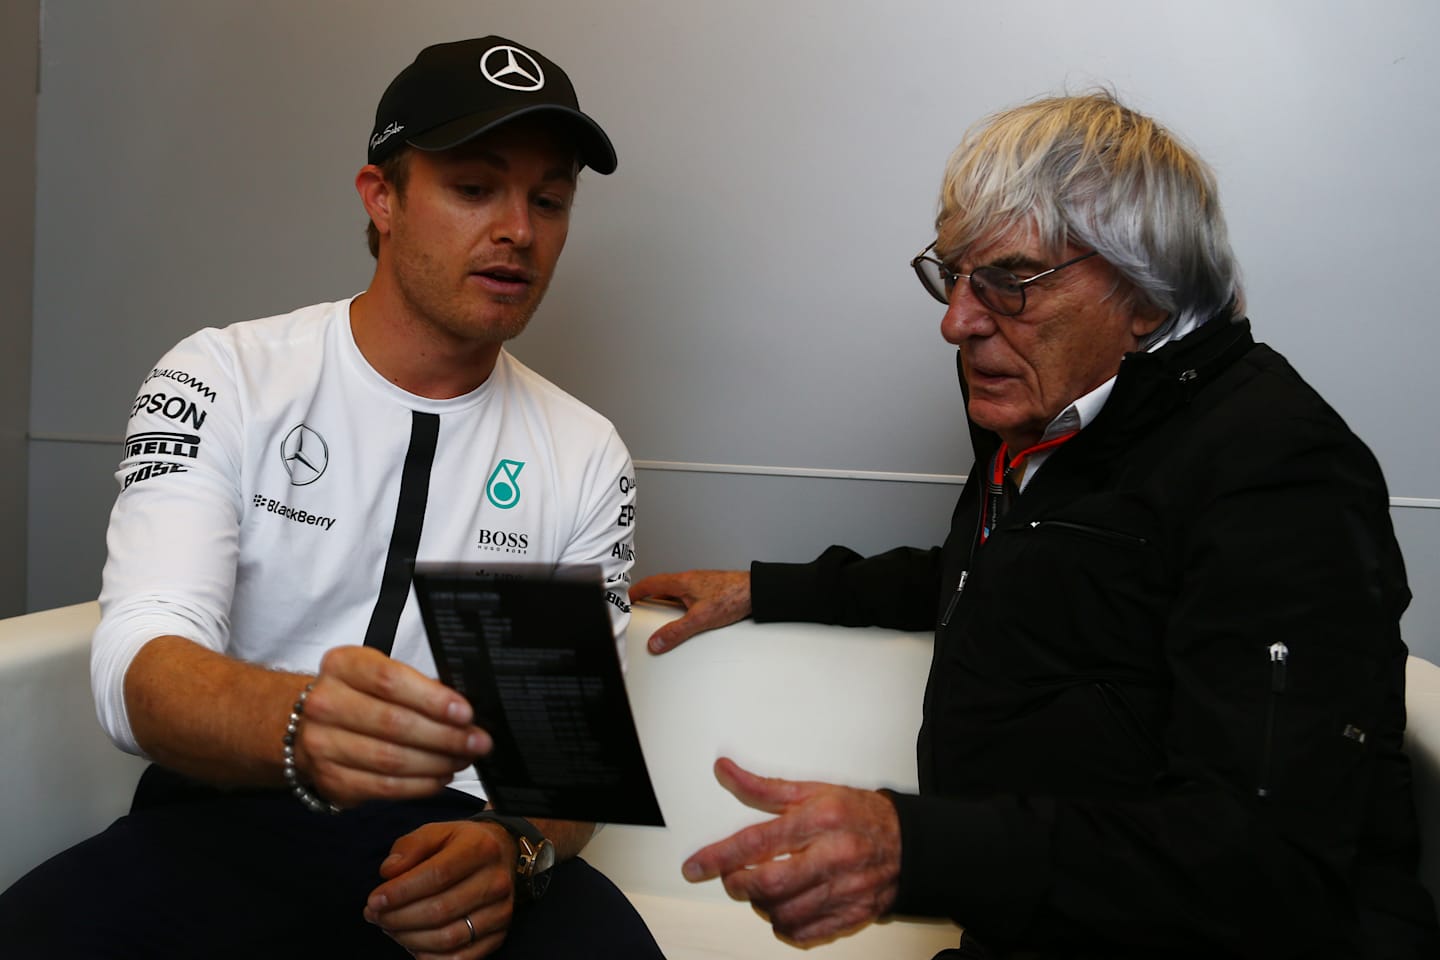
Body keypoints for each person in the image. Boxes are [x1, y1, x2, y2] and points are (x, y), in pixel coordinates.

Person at [632, 92, 1440, 958]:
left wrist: (917, 850)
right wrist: (773, 588)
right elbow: (1017, 568)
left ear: (1145, 289)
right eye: (954, 275)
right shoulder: (1059, 414)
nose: (956, 321)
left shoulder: (1280, 472)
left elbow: (1271, 863)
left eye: (1010, 282)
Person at [0, 36, 663, 959]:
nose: (519, 227)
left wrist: (512, 848)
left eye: (548, 199)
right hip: (222, 823)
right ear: (381, 197)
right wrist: (300, 722)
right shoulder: (226, 376)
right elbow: (142, 662)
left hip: (449, 848)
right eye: (475, 188)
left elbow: (557, 770)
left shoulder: (583, 451)